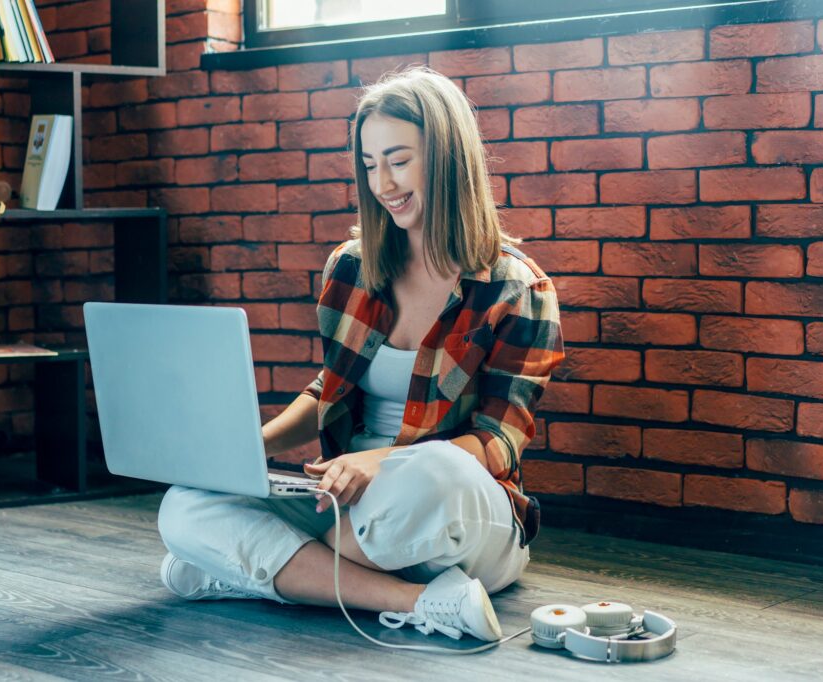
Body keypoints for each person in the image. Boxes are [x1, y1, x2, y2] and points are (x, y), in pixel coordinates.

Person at [157, 67, 565, 643]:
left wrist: (382, 463)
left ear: (447, 158)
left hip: (453, 511)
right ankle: (421, 599)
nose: (383, 183)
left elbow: (497, 445)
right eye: (370, 165)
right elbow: (330, 386)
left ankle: (261, 569)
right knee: (184, 507)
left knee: (435, 470)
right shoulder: (351, 268)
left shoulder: (516, 288)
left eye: (398, 160)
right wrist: (251, 448)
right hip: (347, 504)